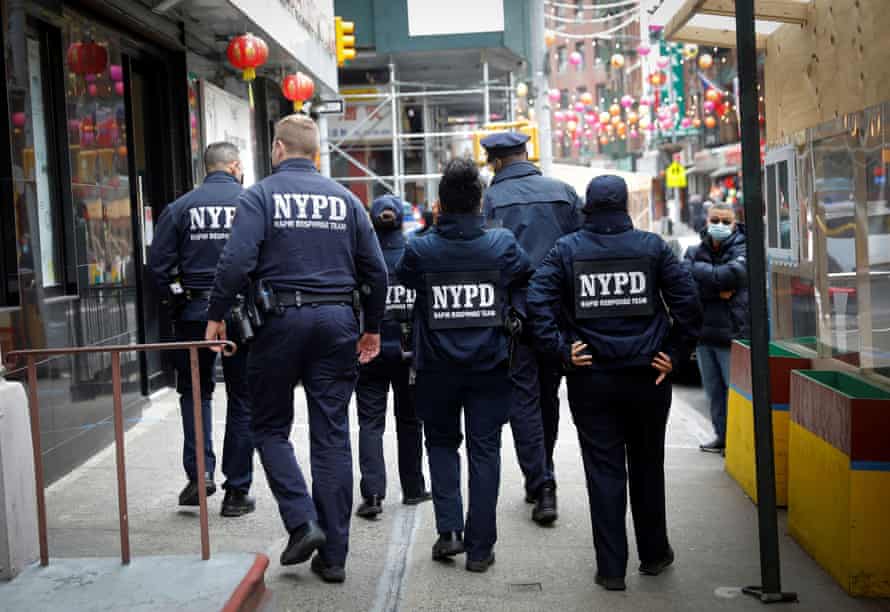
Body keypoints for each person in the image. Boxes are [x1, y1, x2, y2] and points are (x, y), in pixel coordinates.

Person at [205, 114, 387, 584]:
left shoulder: (261, 195)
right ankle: (335, 558)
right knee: (331, 434)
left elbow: (236, 260)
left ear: (279, 150)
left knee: (268, 426)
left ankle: (302, 521)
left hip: (279, 323)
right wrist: (372, 328)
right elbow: (376, 272)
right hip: (338, 324)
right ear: (317, 153)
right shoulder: (347, 199)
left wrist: (217, 312)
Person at [528, 175, 702, 591]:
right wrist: (674, 355)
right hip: (648, 376)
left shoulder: (566, 250)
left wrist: (561, 348)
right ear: (624, 205)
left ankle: (610, 569)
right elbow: (689, 304)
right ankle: (655, 555)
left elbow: (537, 301)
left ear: (589, 206)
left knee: (603, 471)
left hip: (592, 378)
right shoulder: (653, 248)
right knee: (646, 465)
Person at [396, 158, 531, 573]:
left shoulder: (421, 248)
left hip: (437, 366)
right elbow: (524, 277)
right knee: (484, 450)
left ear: (440, 203)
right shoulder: (502, 244)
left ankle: (449, 531)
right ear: (480, 202)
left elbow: (405, 279)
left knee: (440, 443)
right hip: (489, 365)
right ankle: (479, 548)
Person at [480, 131, 582, 525]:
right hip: (558, 312)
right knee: (548, 395)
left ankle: (541, 483)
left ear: (498, 162)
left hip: (515, 314)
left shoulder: (491, 199)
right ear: (526, 154)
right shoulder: (564, 192)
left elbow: (487, 259)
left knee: (523, 398)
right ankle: (544, 470)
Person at [149, 142, 255, 518]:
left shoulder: (179, 208)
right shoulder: (251, 202)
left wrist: (179, 300)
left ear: (205, 169)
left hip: (193, 313)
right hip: (240, 317)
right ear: (235, 166)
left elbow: (159, 268)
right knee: (243, 398)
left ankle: (200, 475)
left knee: (195, 393)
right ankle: (237, 491)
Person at [354, 195, 431, 519]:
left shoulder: (360, 259)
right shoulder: (415, 256)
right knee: (410, 422)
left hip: (369, 350)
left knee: (370, 423)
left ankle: (372, 495)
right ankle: (413, 488)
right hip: (408, 351)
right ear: (402, 219)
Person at [683, 201, 748, 453]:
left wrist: (702, 277)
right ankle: (722, 437)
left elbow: (731, 276)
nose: (719, 225)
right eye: (715, 220)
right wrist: (716, 289)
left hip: (731, 334)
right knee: (714, 393)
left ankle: (736, 442)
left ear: (734, 223)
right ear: (707, 221)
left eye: (725, 221)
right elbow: (685, 283)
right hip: (704, 335)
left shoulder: (743, 247)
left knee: (734, 393)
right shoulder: (695, 249)